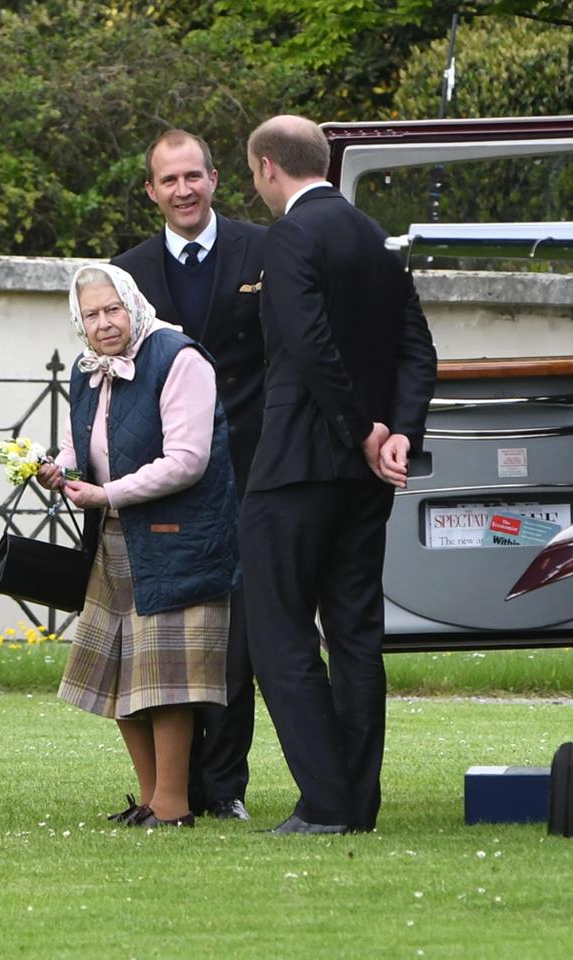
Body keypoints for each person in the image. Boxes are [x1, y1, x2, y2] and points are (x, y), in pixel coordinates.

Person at [241, 115, 437, 835]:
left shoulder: (292, 234)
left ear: (267, 167)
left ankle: (325, 804)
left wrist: (362, 433)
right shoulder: (373, 238)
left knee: (278, 631)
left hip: (297, 463)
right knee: (354, 632)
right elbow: (418, 349)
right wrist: (398, 435)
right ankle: (355, 804)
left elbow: (308, 341)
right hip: (362, 479)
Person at [37, 262, 239, 829]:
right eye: (92, 314)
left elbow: (188, 460)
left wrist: (107, 493)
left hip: (179, 539)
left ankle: (174, 805)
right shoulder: (88, 371)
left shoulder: (179, 357)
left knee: (167, 678)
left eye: (113, 310)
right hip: (116, 537)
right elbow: (85, 441)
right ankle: (151, 799)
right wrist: (57, 467)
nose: (104, 324)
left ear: (132, 304)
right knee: (121, 673)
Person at [112, 129, 266, 821]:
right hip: (162, 482)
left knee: (233, 638)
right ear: (150, 190)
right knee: (168, 635)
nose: (182, 190)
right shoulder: (126, 273)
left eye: (193, 177)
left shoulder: (263, 251)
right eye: (168, 180)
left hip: (251, 470)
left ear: (213, 179)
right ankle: (168, 789)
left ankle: (221, 786)